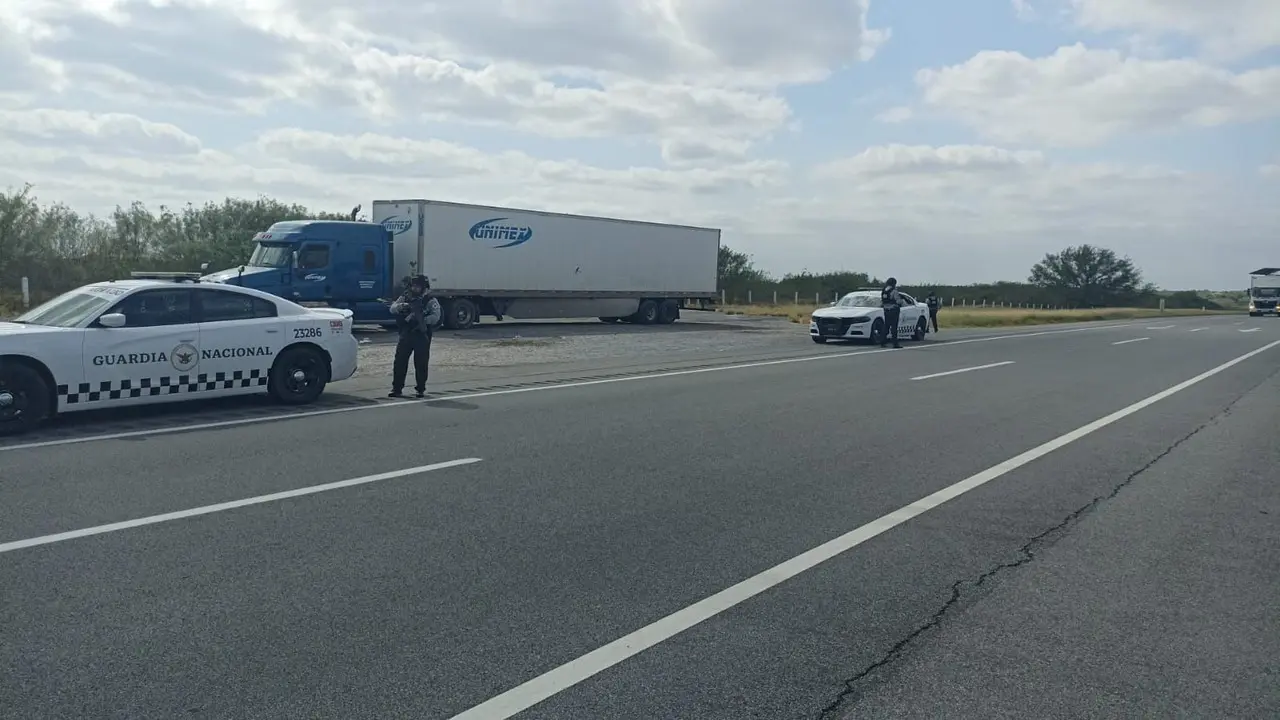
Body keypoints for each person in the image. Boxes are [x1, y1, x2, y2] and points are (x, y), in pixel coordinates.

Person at [388, 275, 441, 398]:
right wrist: (402, 307)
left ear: (423, 287)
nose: (415, 288)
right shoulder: (405, 297)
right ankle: (397, 388)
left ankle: (420, 389)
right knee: (400, 362)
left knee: (421, 363)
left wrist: (422, 320)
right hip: (406, 334)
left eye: (418, 286)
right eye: (413, 286)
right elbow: (392, 308)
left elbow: (436, 316)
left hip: (421, 335)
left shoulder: (430, 300)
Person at [880, 277, 903, 349]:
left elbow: (883, 301)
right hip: (893, 310)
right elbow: (898, 301)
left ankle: (882, 342)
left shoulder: (884, 290)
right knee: (894, 327)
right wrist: (901, 301)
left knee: (886, 326)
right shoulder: (894, 291)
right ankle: (895, 343)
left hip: (886, 310)